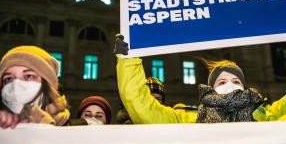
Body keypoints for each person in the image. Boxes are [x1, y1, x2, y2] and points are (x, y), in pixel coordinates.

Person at [114, 35, 266, 123]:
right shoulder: (189, 120)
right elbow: (142, 106)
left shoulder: (265, 115)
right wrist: (128, 60)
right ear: (212, 89)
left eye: (236, 81)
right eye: (222, 82)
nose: (230, 85)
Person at [0, 46, 70, 129]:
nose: (16, 85)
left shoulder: (76, 130)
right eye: (9, 78)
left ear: (47, 85)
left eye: (29, 76)